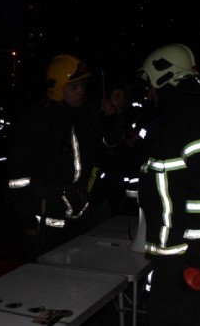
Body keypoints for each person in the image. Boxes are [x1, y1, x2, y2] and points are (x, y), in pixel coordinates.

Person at [136, 43, 200, 326]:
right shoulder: (180, 118)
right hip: (182, 253)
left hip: (193, 256)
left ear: (163, 79)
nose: (148, 93)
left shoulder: (189, 119)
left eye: (150, 85)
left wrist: (198, 245)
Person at [7, 53, 123, 261]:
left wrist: (110, 121)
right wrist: (25, 217)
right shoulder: (35, 122)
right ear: (57, 88)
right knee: (48, 281)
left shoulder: (85, 115)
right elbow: (17, 175)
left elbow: (108, 145)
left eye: (82, 87)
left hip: (80, 215)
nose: (81, 92)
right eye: (74, 87)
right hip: (46, 220)